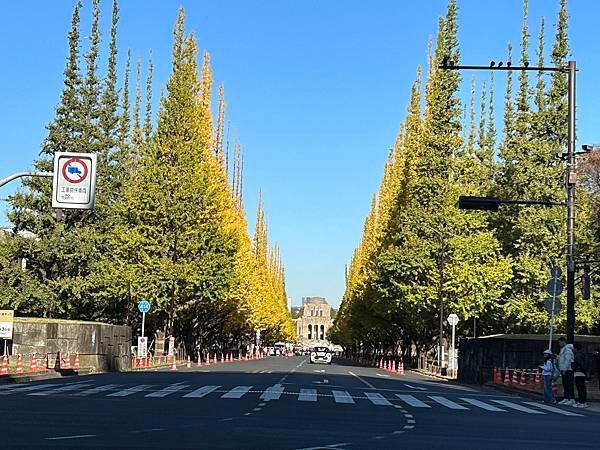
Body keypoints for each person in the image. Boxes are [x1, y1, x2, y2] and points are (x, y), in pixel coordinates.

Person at [556, 337, 575, 406]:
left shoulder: (567, 350)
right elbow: (562, 359)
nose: (559, 344)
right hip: (563, 369)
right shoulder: (563, 350)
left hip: (568, 370)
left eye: (559, 342)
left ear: (563, 342)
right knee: (565, 384)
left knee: (569, 384)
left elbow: (568, 360)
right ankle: (566, 398)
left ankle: (571, 399)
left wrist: (564, 369)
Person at [572, 343, 589, 408]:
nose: (572, 349)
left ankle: (582, 402)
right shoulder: (582, 354)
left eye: (573, 348)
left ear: (576, 348)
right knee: (582, 388)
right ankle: (583, 402)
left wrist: (574, 367)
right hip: (582, 373)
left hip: (579, 372)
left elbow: (581, 364)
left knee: (580, 388)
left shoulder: (577, 355)